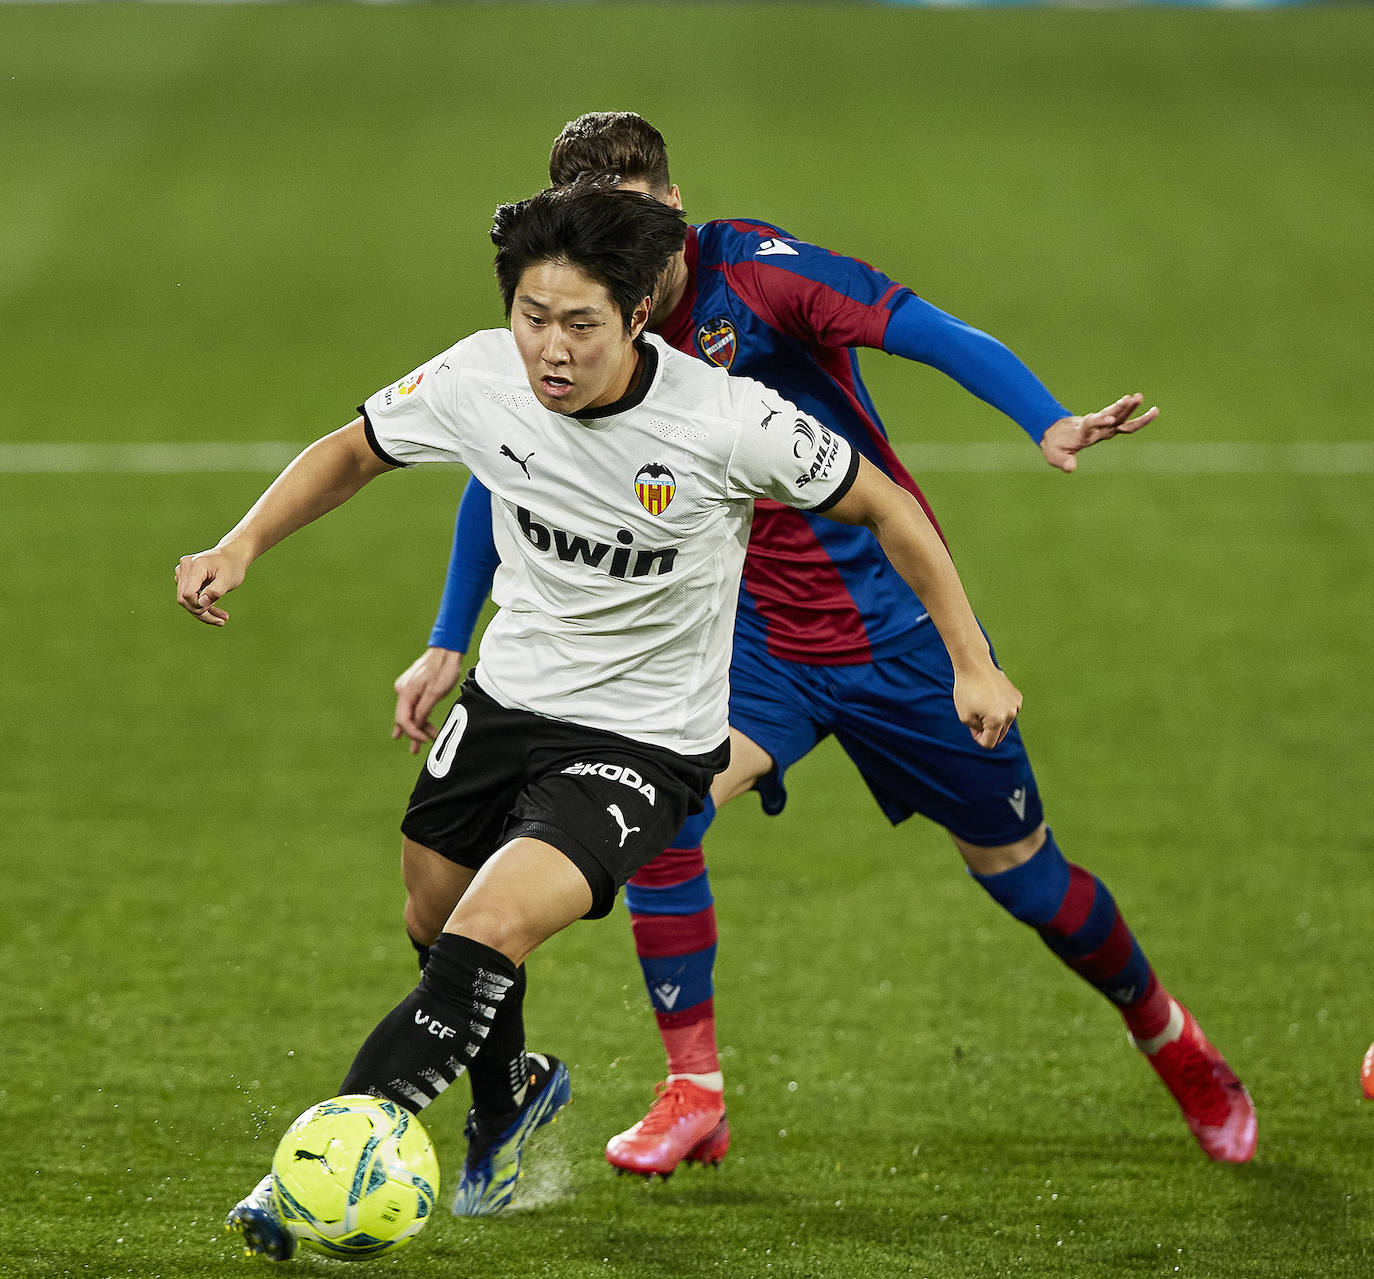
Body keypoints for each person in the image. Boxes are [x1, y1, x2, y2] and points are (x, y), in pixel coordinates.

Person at [390, 113, 1257, 1176]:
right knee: (660, 813)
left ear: (674, 209)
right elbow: (507, 465)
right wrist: (448, 637)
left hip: (901, 637)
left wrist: (1045, 417)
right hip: (751, 650)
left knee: (1028, 881)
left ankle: (1174, 1040)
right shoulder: (582, 326)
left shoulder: (761, 276)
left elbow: (931, 330)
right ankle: (694, 1092)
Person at [175, 182, 1023, 1258]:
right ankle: (509, 1098)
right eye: (535, 317)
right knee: (434, 919)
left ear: (636, 316)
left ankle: (316, 1168)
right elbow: (354, 449)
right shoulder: (481, 375)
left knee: (486, 931)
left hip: (644, 744)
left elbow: (887, 505)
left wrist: (972, 661)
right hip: (507, 702)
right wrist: (239, 545)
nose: (552, 350)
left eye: (581, 324)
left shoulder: (724, 419)